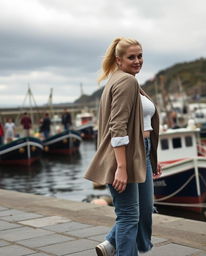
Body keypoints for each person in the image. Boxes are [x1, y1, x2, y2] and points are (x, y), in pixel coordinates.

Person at [84, 37, 162, 256]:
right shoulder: (126, 82)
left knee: (145, 210)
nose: (137, 61)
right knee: (128, 215)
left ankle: (110, 243)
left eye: (140, 56)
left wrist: (152, 157)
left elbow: (143, 123)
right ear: (119, 60)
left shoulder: (127, 80)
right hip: (126, 155)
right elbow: (117, 126)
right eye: (131, 57)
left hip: (142, 152)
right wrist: (121, 166)